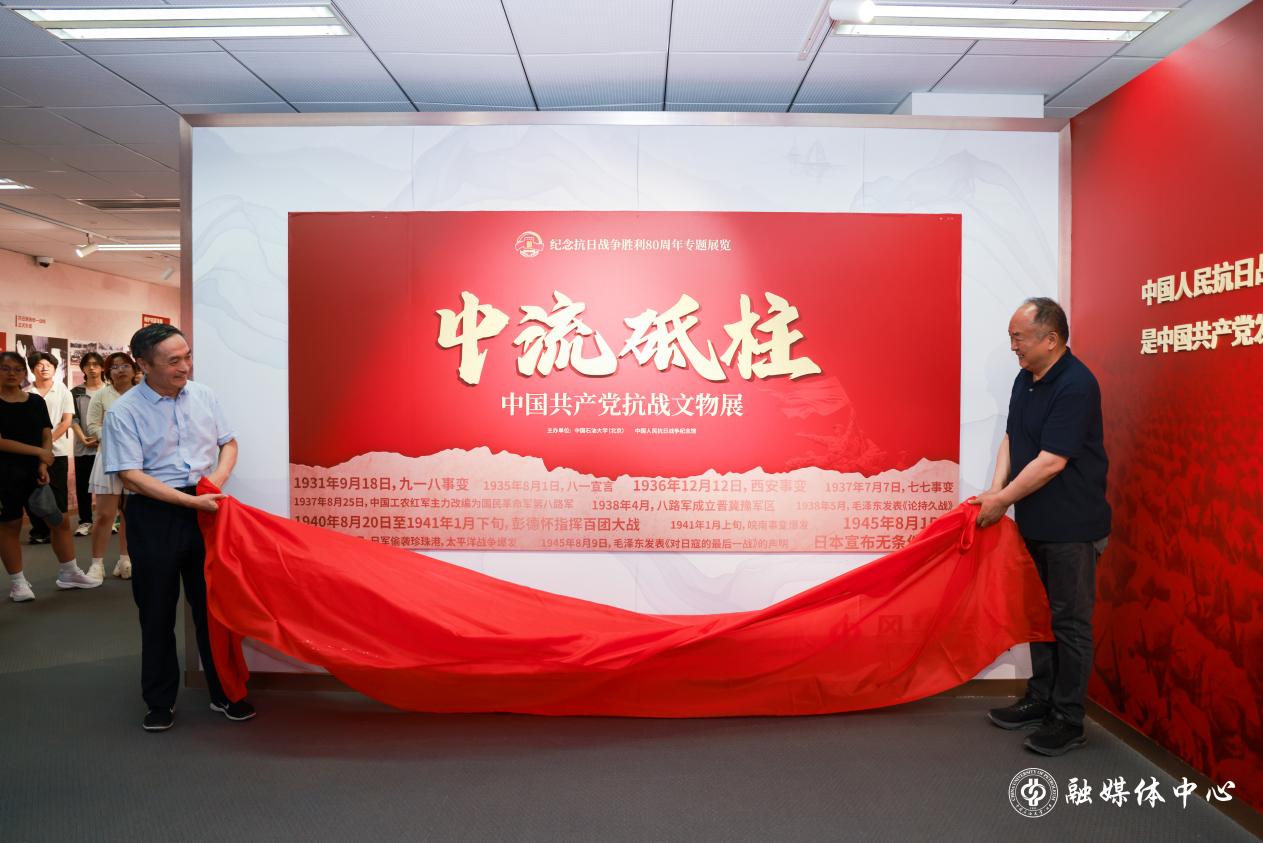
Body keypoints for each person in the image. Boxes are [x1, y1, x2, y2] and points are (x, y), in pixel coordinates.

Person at [972, 298, 1110, 757]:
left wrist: (1002, 501)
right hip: (1034, 522)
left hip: (1072, 527)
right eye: (1011, 338)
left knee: (1069, 623)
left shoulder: (1076, 384)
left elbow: (1052, 461)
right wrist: (995, 491)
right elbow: (1014, 437)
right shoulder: (1025, 378)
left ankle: (1068, 719)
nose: (1013, 346)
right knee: (1038, 615)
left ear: (1050, 339)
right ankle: (1041, 698)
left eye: (1019, 338)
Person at [103, 324, 254, 732]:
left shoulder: (204, 395)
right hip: (154, 513)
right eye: (173, 361)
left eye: (187, 356)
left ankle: (226, 692)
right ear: (143, 364)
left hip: (207, 507)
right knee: (156, 610)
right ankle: (159, 701)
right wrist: (191, 502)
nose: (185, 367)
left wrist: (215, 482)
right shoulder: (124, 412)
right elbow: (131, 476)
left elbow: (228, 442)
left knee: (215, 608)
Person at [1, 352, 100, 601]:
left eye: (17, 369)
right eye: (5, 368)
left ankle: (69, 572)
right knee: (10, 525)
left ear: (23, 373)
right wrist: (40, 453)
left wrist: (43, 462)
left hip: (40, 469)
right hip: (5, 472)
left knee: (60, 520)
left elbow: (46, 432)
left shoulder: (35, 401)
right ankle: (18, 583)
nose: (12, 373)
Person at [85, 352, 136, 580]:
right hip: (108, 456)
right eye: (114, 367)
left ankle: (125, 559)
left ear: (134, 369)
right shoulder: (101, 395)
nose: (120, 370)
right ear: (108, 372)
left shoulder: (143, 394)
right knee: (105, 514)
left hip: (137, 459)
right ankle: (97, 564)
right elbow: (92, 425)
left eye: (125, 365)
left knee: (130, 513)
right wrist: (110, 437)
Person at [70, 352, 106, 536]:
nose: (91, 368)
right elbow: (73, 418)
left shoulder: (110, 390)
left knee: (107, 486)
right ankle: (85, 521)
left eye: (95, 364)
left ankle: (108, 519)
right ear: (82, 368)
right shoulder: (75, 392)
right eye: (87, 365)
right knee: (83, 486)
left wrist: (102, 438)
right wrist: (83, 438)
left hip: (106, 446)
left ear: (102, 367)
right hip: (83, 446)